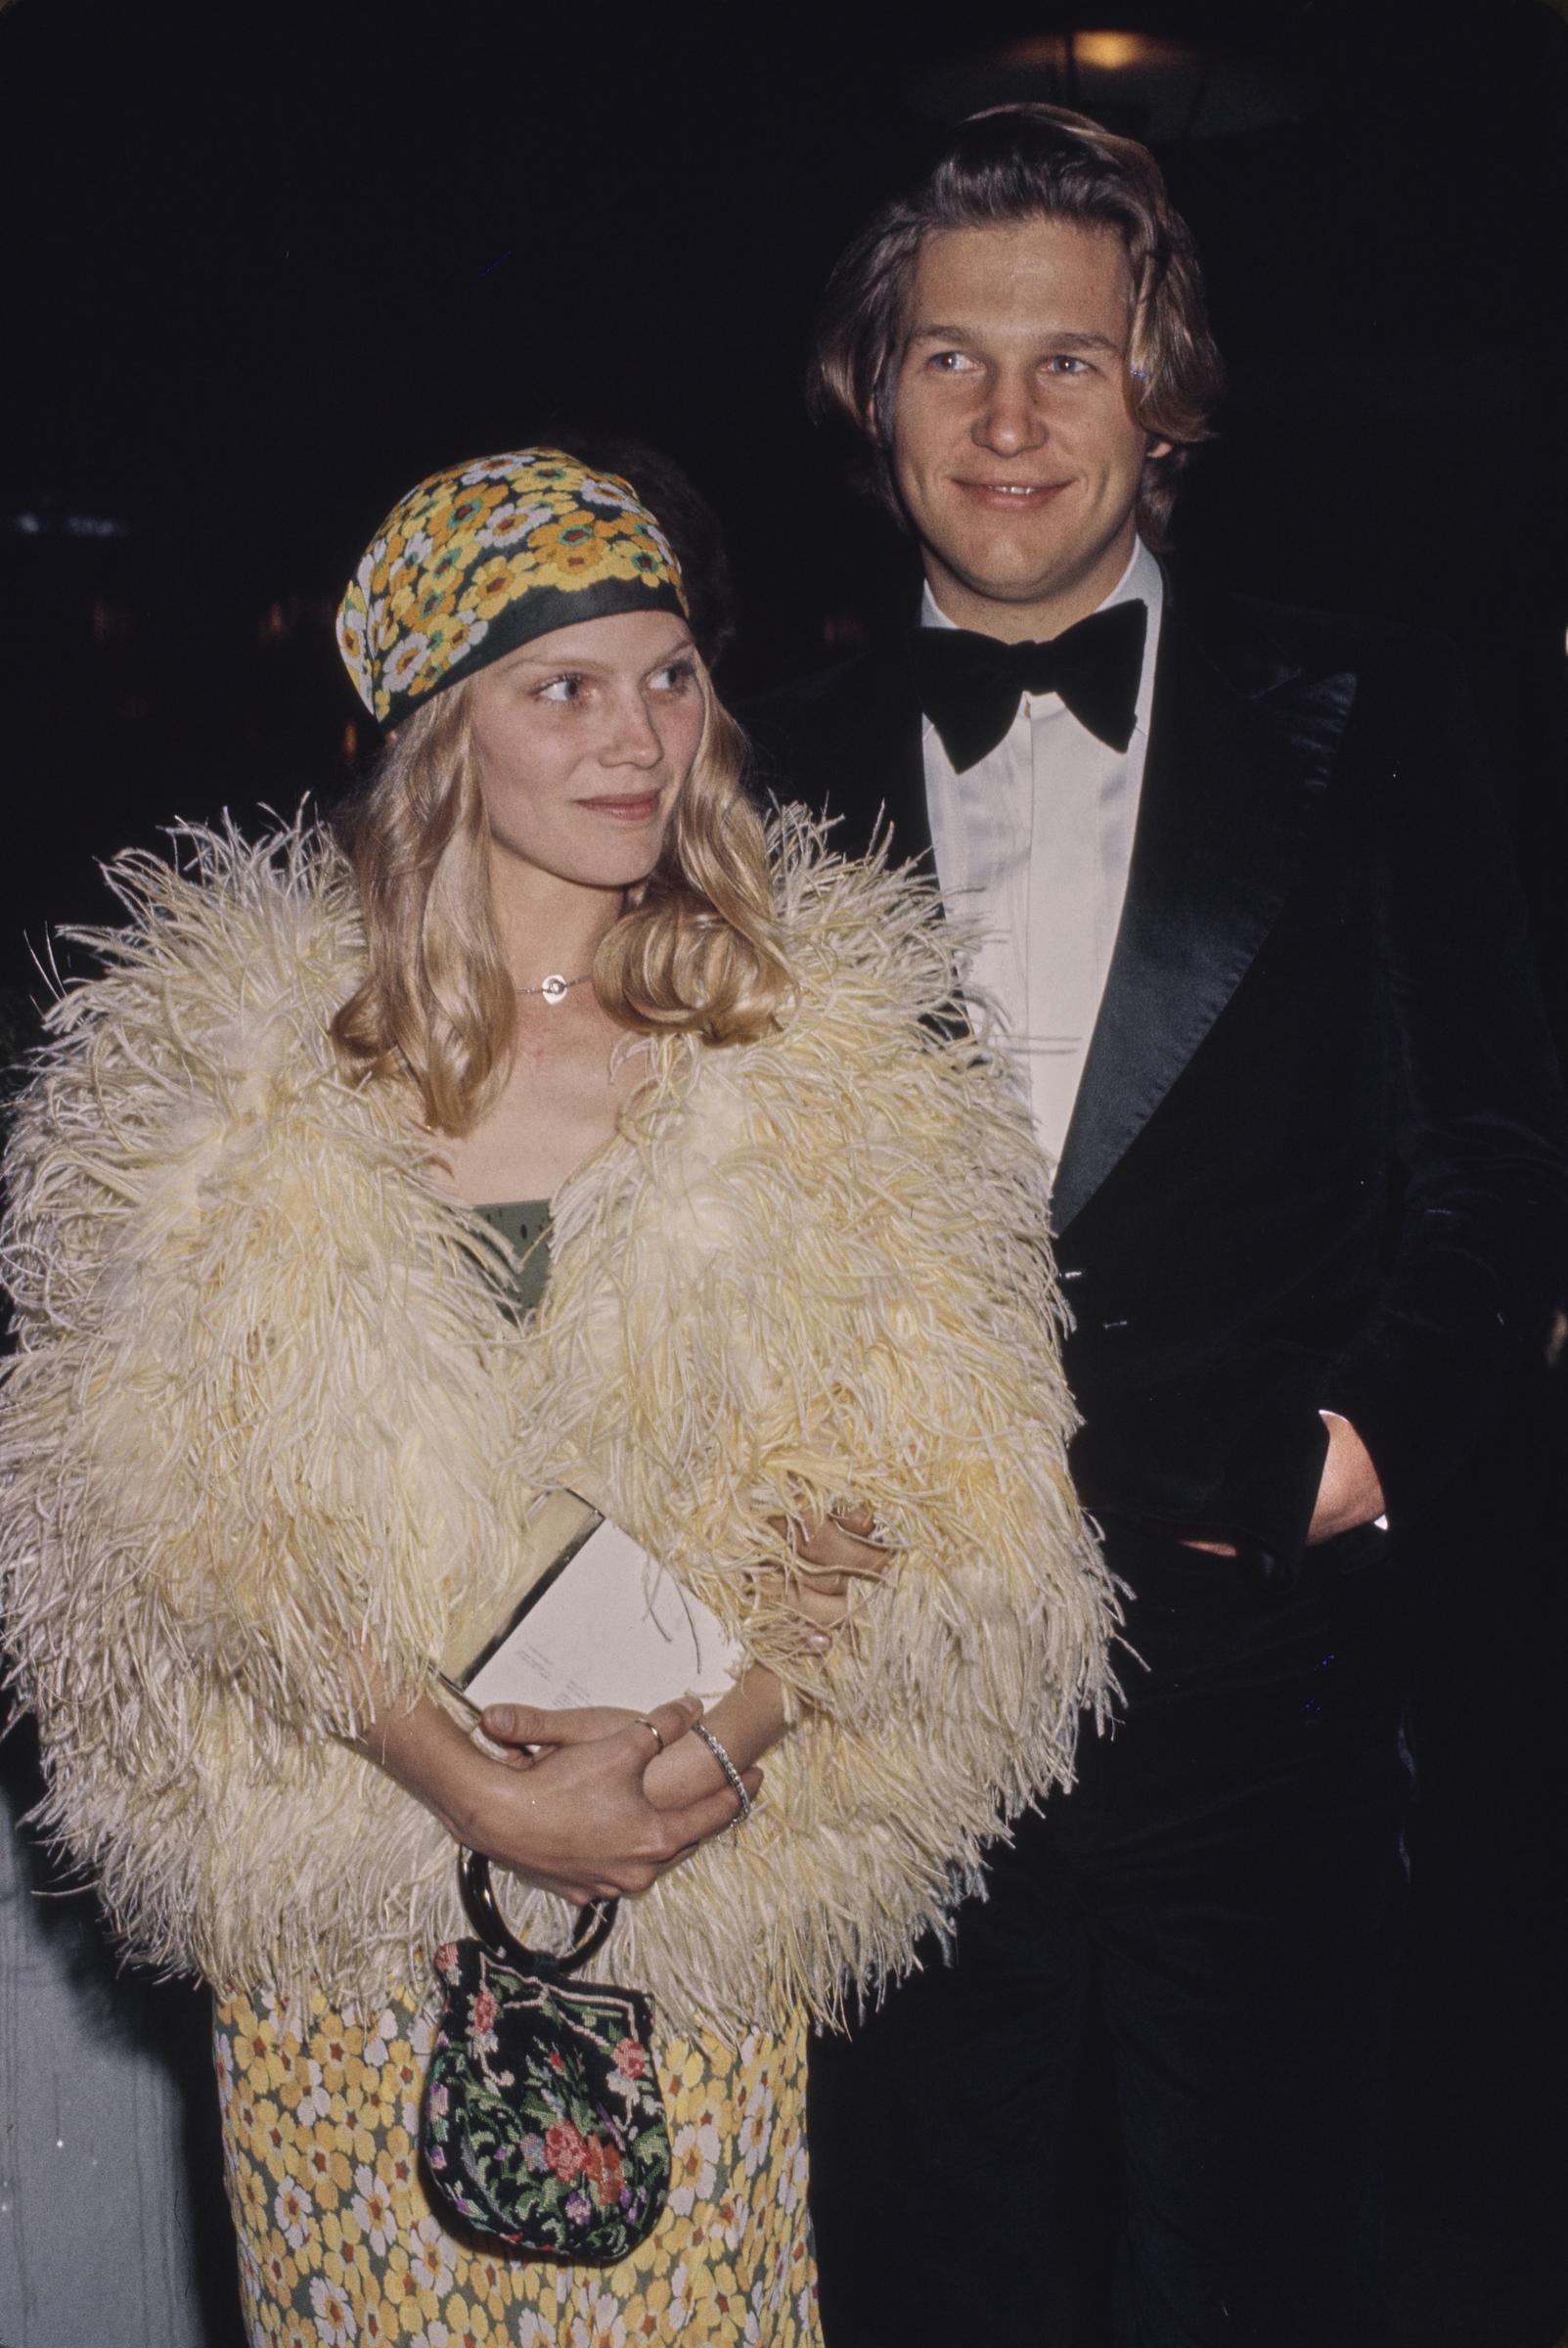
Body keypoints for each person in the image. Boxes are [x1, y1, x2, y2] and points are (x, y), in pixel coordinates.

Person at [0, 446, 1113, 2347]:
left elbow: (920, 1467)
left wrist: (717, 1743)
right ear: (441, 727)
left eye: (669, 674)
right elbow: (158, 1502)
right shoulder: (233, 1067)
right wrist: (451, 1776)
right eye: (565, 688)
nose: (639, 737)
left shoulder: (814, 1044)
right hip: (348, 1919)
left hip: (686, 1916)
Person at [746, 107, 1568, 2348]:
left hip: (1263, 1705)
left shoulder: (1376, 708)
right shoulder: (738, 761)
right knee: (919, 2299)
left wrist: (1351, 1455)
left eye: (1070, 363)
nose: (1006, 421)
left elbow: (1500, 1158)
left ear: (1165, 397)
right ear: (871, 388)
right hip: (873, 1722)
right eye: (949, 359)